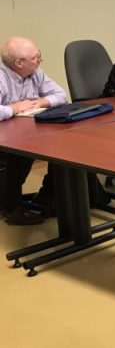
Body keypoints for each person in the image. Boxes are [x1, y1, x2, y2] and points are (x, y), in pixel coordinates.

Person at [0, 37, 67, 225]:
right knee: (19, 155)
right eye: (36, 57)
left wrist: (40, 102)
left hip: (27, 131)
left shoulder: (35, 73)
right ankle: (10, 208)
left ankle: (48, 197)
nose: (40, 60)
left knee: (64, 148)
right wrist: (14, 108)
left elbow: (61, 95)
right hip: (6, 137)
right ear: (18, 63)